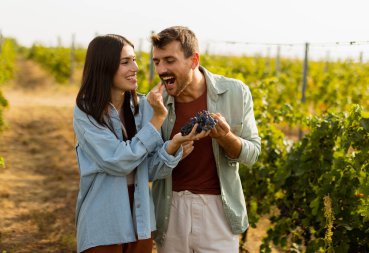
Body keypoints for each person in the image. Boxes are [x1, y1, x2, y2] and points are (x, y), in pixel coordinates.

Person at [73, 34, 206, 253]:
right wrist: (157, 120)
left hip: (141, 218)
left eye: (134, 60)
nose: (135, 67)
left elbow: (149, 170)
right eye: (125, 62)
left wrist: (172, 147)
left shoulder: (143, 106)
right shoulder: (86, 111)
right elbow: (117, 161)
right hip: (103, 220)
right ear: (104, 67)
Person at [150, 26, 261, 253]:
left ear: (194, 60)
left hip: (218, 211)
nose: (162, 69)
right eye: (157, 62)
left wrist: (226, 137)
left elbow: (252, 154)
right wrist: (173, 150)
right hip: (171, 210)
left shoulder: (235, 93)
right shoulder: (154, 104)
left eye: (169, 60)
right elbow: (149, 168)